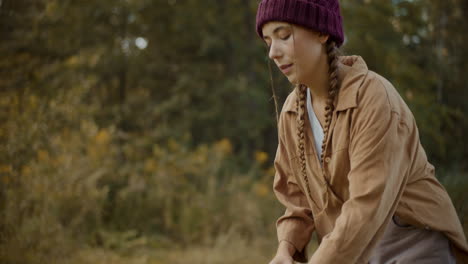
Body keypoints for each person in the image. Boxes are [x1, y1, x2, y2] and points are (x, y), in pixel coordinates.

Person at [255, 0, 468, 263]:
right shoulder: (292, 112)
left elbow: (366, 207)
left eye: (284, 36)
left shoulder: (375, 100)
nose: (273, 52)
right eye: (267, 41)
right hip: (349, 253)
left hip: (413, 249)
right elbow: (297, 202)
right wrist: (285, 249)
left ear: (322, 32)